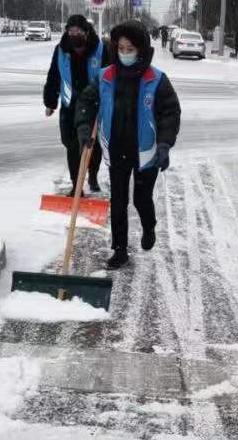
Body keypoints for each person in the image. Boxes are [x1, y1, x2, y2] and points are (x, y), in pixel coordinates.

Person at [76, 20, 181, 270]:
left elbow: (170, 112)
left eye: (130, 48)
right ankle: (120, 249)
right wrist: (83, 129)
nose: (125, 53)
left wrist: (165, 144)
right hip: (116, 149)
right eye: (121, 48)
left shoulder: (156, 79)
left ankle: (149, 225)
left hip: (146, 153)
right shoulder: (105, 76)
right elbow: (86, 103)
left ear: (141, 49)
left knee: (141, 199)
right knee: (119, 201)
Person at [44, 15, 109, 195]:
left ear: (86, 33)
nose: (74, 35)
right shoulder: (61, 50)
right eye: (70, 31)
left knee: (92, 145)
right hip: (69, 105)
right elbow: (54, 76)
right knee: (71, 144)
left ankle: (93, 175)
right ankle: (76, 185)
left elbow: (109, 78)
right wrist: (50, 102)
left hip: (92, 107)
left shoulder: (100, 50)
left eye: (78, 31)